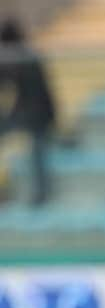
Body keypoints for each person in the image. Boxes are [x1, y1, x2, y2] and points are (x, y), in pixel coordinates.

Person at [0, 19, 55, 206]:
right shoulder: (17, 58)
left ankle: (42, 192)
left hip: (38, 114)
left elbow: (38, 95)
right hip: (27, 112)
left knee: (38, 150)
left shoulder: (24, 58)